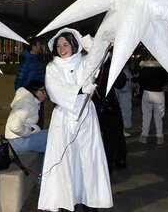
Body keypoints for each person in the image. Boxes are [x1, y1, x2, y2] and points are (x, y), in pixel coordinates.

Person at [38, 28, 113, 212]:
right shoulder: (52, 67)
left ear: (73, 45)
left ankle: (89, 200)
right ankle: (65, 200)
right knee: (65, 161)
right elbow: (54, 90)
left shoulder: (84, 63)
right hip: (63, 118)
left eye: (66, 44)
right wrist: (79, 90)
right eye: (58, 45)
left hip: (86, 117)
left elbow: (102, 52)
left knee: (88, 159)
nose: (62, 48)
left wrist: (83, 38)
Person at [93, 57, 128, 175]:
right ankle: (111, 165)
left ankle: (101, 167)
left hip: (93, 106)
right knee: (113, 137)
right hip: (108, 106)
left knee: (96, 139)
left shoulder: (89, 62)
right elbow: (121, 83)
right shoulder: (111, 65)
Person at [5, 80, 48, 153]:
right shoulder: (26, 104)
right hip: (17, 142)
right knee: (52, 132)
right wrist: (30, 130)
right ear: (35, 92)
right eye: (42, 90)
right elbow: (14, 126)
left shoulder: (32, 102)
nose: (45, 93)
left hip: (18, 140)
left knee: (49, 148)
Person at [138, 53, 168, 145]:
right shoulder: (162, 69)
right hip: (159, 94)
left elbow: (140, 80)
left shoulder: (145, 68)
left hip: (147, 93)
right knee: (159, 117)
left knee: (146, 116)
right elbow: (167, 80)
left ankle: (144, 136)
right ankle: (159, 137)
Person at [14, 37, 46, 129]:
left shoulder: (38, 58)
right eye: (39, 45)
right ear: (33, 46)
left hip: (39, 93)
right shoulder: (27, 60)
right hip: (30, 94)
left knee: (39, 117)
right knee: (31, 118)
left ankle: (38, 134)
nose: (40, 47)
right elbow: (19, 78)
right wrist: (19, 94)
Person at [115, 62, 133, 136]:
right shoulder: (124, 68)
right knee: (125, 109)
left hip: (119, 88)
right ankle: (123, 129)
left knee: (121, 109)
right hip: (124, 90)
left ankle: (121, 128)